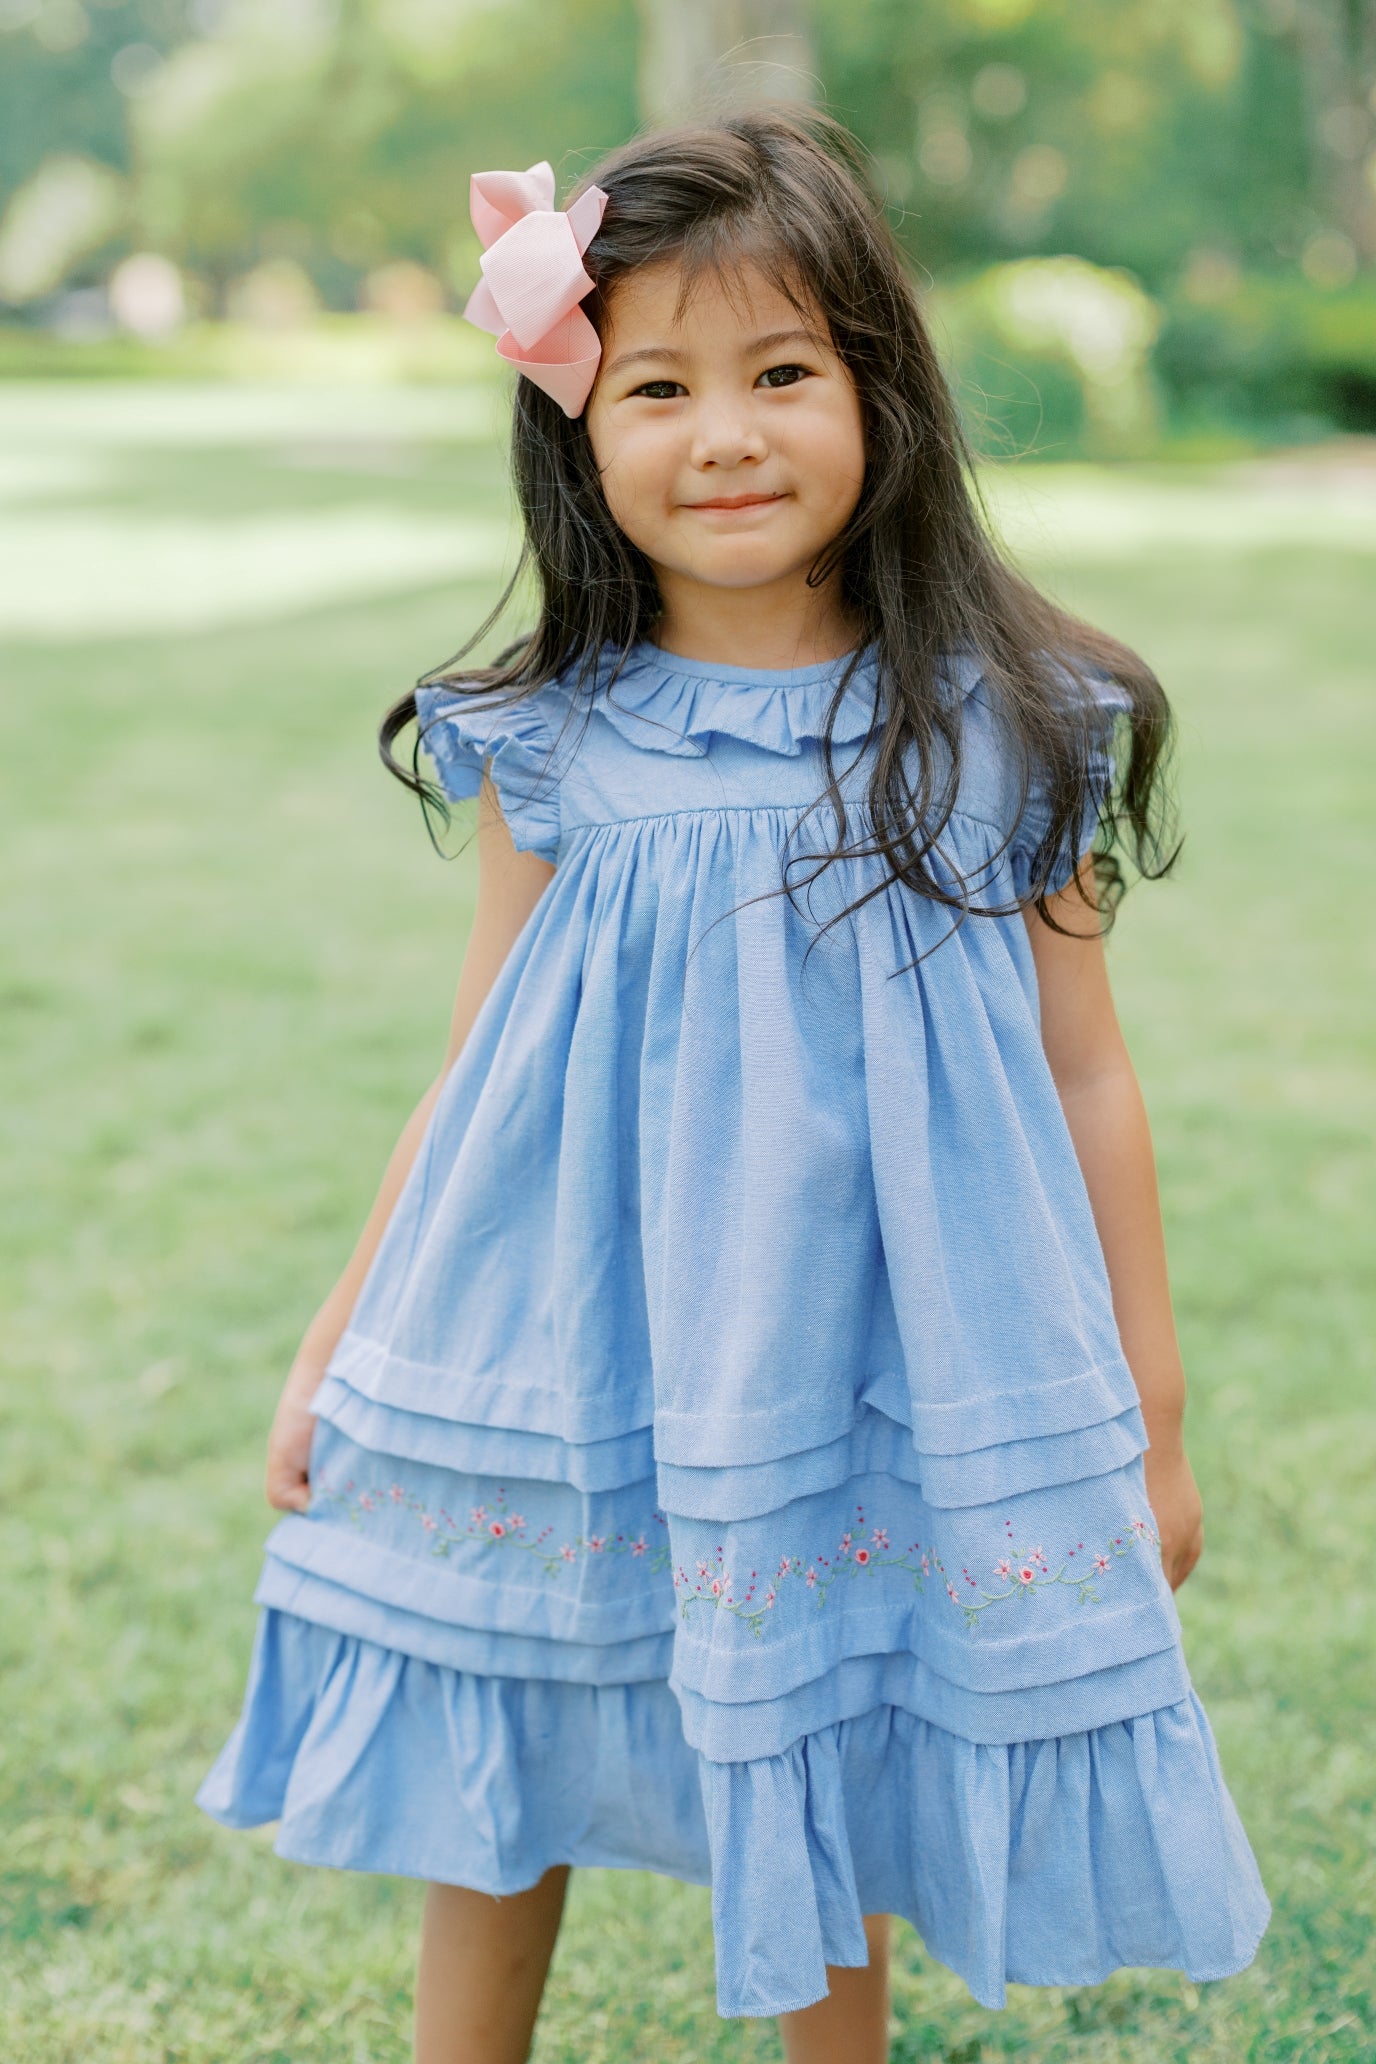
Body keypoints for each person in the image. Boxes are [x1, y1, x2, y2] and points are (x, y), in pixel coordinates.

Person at [196, 111, 1269, 2064]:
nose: (726, 436)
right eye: (661, 385)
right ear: (578, 430)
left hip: (853, 1343)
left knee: (825, 1695)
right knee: (514, 1686)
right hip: (562, 1326)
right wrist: (337, 1337)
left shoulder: (1003, 732)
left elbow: (1086, 1078)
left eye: (784, 373)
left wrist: (1152, 1421)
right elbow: (475, 1068)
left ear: (883, 394)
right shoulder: (550, 739)